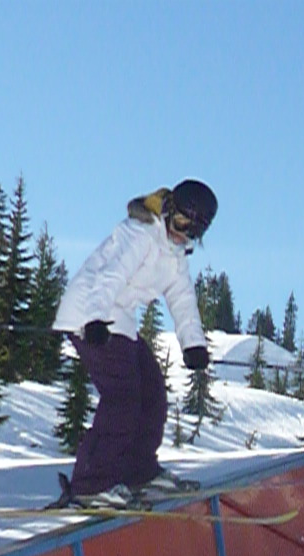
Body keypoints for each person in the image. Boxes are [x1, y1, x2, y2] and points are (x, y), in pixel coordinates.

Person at [53, 179, 218, 507]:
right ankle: (91, 484)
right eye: (182, 222)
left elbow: (182, 298)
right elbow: (110, 275)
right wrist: (95, 318)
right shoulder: (141, 232)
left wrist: (193, 344)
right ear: (170, 209)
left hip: (118, 318)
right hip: (90, 312)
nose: (183, 233)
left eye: (194, 232)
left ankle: (138, 473)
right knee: (123, 396)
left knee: (153, 392)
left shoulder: (175, 254)